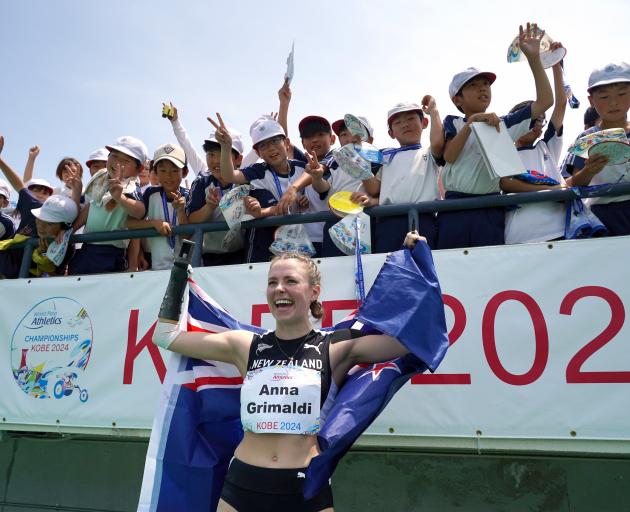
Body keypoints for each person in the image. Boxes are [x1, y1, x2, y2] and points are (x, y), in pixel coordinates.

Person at [152, 230, 435, 511]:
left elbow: (415, 342)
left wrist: (412, 262)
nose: (279, 289)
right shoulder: (243, 345)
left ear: (313, 292)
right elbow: (166, 336)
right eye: (272, 282)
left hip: (305, 488)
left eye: (291, 281)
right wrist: (178, 277)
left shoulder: (336, 348)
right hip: (242, 486)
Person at [438, 23, 553, 249]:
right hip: (454, 208)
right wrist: (471, 123)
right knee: (450, 275)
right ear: (457, 100)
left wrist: (534, 60)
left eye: (486, 84)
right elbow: (449, 157)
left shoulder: (502, 124)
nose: (483, 88)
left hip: (490, 208)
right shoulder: (454, 121)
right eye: (473, 85)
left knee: (489, 273)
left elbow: (545, 102)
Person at [209, 114, 310, 263]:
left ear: (287, 143)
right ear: (258, 153)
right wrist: (226, 147)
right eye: (263, 145)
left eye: (275, 141)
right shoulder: (258, 171)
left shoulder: (300, 167)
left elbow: (315, 171)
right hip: (261, 245)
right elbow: (229, 175)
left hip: (298, 242)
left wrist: (294, 190)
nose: (271, 148)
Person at [352, 99, 444, 252]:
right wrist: (359, 163)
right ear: (391, 133)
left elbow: (438, 143)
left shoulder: (429, 152)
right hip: (389, 221)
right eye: (398, 122)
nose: (405, 124)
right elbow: (375, 189)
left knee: (423, 268)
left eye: (411, 119)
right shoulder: (385, 156)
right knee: (389, 267)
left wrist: (434, 111)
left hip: (423, 219)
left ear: (424, 123)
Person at [501, 42, 568, 244]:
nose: (536, 125)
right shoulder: (501, 153)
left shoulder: (546, 146)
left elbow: (561, 104)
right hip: (518, 237)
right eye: (532, 120)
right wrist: (549, 190)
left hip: (558, 231)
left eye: (540, 120)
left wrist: (556, 63)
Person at [563, 62, 630, 235]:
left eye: (622, 94)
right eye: (604, 97)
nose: (614, 102)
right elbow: (568, 184)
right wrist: (589, 171)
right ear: (591, 101)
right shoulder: (585, 139)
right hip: (603, 215)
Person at [68, 136, 148, 275]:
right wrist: (71, 230)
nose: (117, 163)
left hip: (112, 253)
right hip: (87, 247)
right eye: (114, 156)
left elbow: (139, 213)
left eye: (125, 161)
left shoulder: (131, 186)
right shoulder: (100, 178)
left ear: (139, 169)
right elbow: (90, 208)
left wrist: (120, 197)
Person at [186, 129, 247, 267]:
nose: (215, 160)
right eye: (211, 154)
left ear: (238, 159)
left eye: (222, 154)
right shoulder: (202, 182)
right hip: (208, 256)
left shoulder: (246, 180)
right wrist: (209, 207)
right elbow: (191, 219)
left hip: (242, 253)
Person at [128, 144, 189, 270]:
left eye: (174, 170)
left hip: (188, 267)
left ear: (185, 172)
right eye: (162, 170)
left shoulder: (189, 195)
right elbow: (129, 222)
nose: (168, 175)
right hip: (158, 267)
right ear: (155, 172)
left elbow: (188, 236)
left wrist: (181, 211)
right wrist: (154, 223)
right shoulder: (150, 194)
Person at [0, 135, 55, 278]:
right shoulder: (29, 204)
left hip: (33, 277)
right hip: (8, 269)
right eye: (35, 189)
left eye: (45, 192)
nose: (40, 194)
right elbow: (20, 184)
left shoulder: (56, 213)